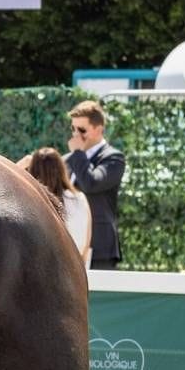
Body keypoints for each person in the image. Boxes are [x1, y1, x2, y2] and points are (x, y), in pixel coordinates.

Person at [65, 100, 126, 269]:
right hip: (67, 243)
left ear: (98, 130)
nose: (76, 135)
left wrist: (77, 153)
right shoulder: (68, 160)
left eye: (82, 130)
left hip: (99, 246)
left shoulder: (113, 158)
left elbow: (92, 183)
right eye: (73, 129)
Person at [27, 146, 92, 265]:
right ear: (62, 169)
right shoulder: (79, 199)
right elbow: (85, 246)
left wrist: (19, 167)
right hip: (74, 273)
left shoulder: (29, 201)